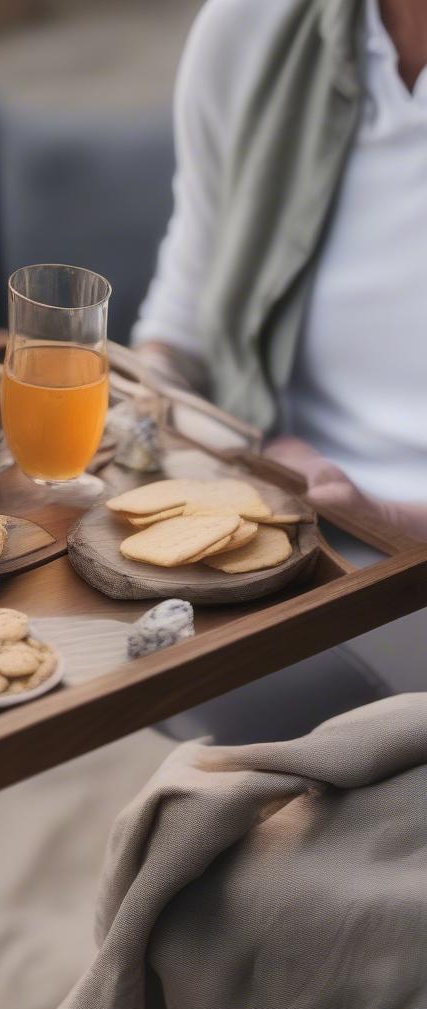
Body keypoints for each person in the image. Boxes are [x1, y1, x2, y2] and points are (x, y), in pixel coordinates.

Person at [136, 0, 427, 744]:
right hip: (284, 523)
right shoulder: (255, 27)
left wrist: (390, 518)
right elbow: (178, 336)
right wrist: (233, 449)